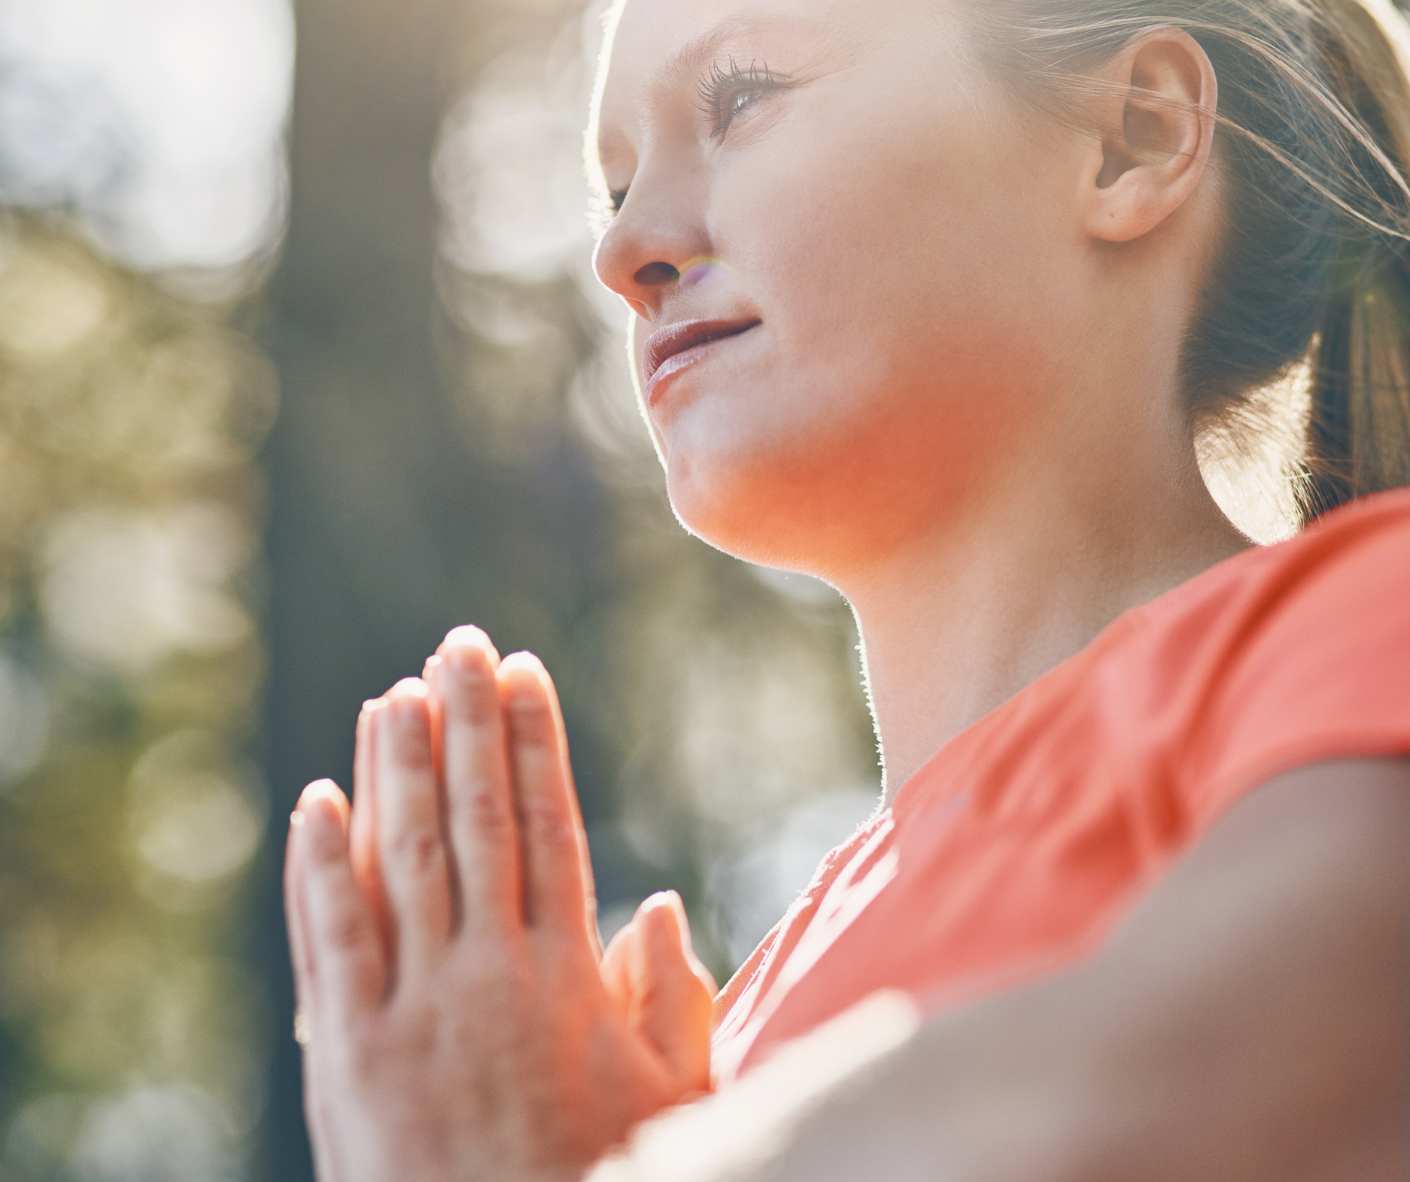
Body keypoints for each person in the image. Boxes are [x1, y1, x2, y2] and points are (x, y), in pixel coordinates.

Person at [282, 0, 1410, 1178]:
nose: (625, 257)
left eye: (742, 97)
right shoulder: (728, 1044)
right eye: (614, 195)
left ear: (1133, 136)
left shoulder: (1375, 620)